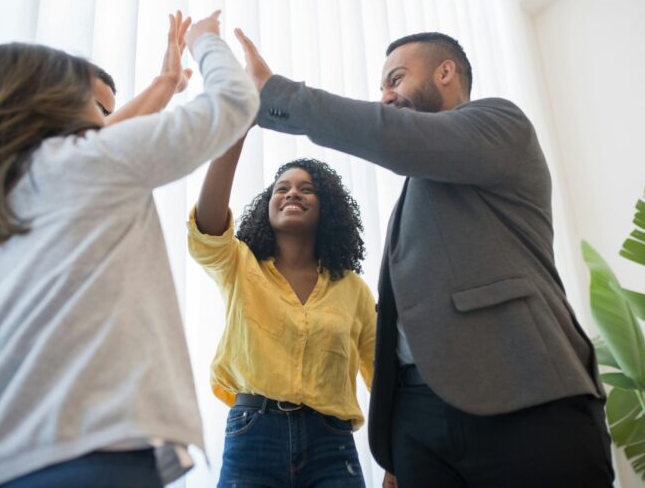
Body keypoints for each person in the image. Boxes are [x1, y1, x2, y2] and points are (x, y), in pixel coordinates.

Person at [233, 29, 614, 487]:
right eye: (381, 89)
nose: (386, 98)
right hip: (421, 425)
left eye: (395, 80)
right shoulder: (413, 195)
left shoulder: (501, 124)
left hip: (524, 396)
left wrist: (278, 95)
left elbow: (394, 135)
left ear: (446, 72)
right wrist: (399, 440)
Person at [0, 10, 258, 488]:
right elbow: (232, 103)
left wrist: (164, 84)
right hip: (84, 458)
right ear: (51, 104)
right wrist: (205, 42)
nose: (106, 119)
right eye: (90, 103)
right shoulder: (87, 165)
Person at [187, 132, 376, 486]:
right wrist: (238, 130)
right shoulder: (239, 265)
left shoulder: (353, 289)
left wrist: (393, 456)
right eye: (282, 188)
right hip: (252, 435)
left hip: (331, 446)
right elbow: (207, 230)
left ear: (327, 207)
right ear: (268, 204)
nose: (292, 193)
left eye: (307, 189)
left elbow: (380, 379)